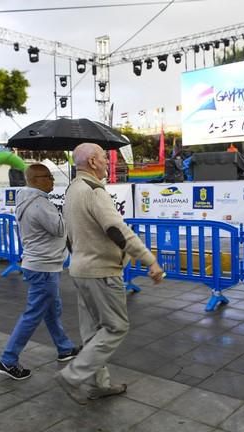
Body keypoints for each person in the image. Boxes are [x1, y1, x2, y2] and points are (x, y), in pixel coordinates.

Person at [54, 143, 164, 404]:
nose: (107, 163)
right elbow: (116, 230)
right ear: (92, 161)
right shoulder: (94, 192)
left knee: (93, 330)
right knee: (116, 327)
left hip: (80, 268)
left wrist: (78, 258)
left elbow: (69, 233)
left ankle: (98, 384)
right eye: (104, 158)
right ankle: (73, 376)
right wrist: (150, 260)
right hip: (101, 271)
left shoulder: (72, 190)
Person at [0, 163, 80, 381]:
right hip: (44, 267)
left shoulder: (27, 199)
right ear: (34, 179)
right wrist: (69, 210)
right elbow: (61, 229)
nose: (52, 180)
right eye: (47, 177)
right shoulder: (40, 204)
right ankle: (8, 359)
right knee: (33, 315)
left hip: (40, 265)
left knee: (52, 310)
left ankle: (64, 347)